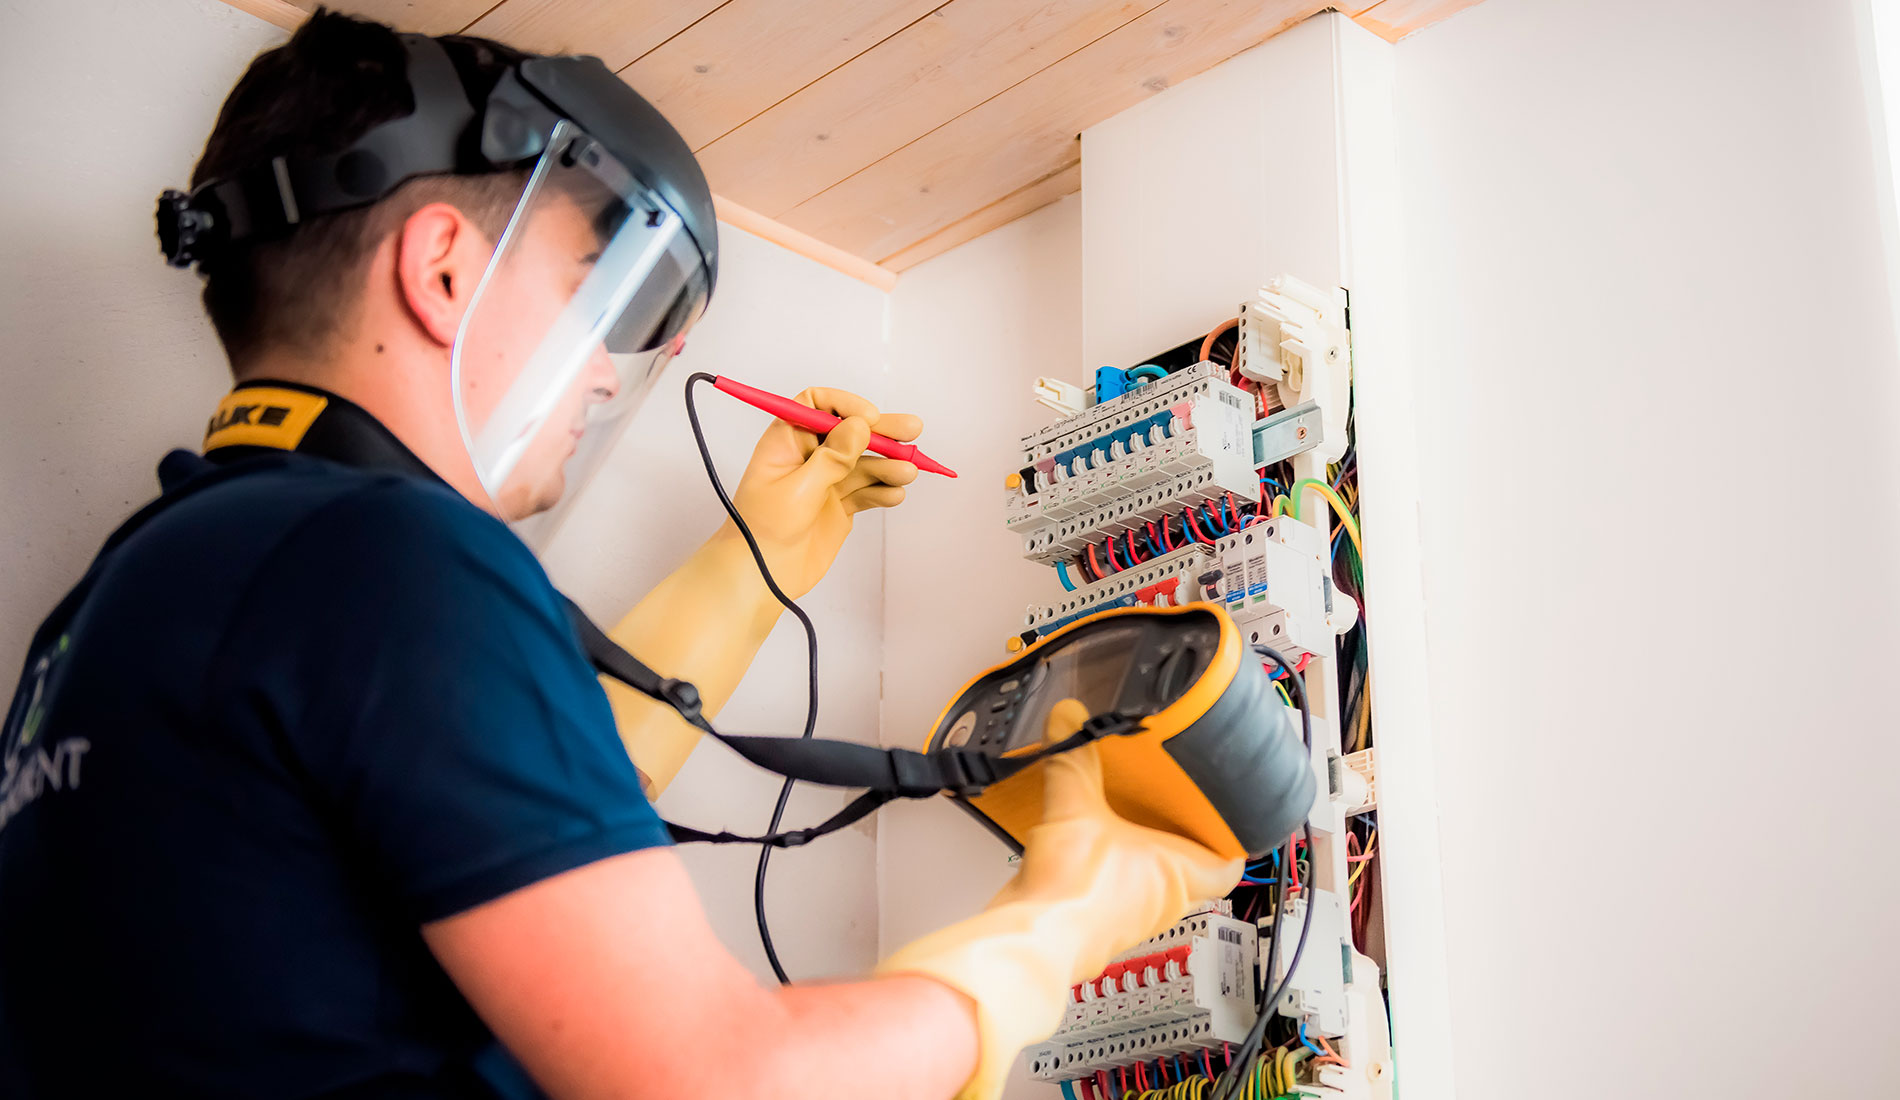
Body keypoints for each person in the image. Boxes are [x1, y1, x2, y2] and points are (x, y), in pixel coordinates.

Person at [0, 12, 1240, 1099]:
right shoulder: (386, 557)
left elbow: (497, 822)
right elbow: (711, 1078)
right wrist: (1058, 923)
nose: (603, 370)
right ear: (441, 268)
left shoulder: (135, 594)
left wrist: (754, 561)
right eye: (592, 294)